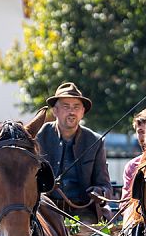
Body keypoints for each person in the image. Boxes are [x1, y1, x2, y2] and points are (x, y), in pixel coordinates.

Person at [36, 82, 112, 219]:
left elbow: (105, 186)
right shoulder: (39, 137)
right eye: (66, 106)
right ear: (55, 111)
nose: (72, 111)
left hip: (83, 212)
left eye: (76, 107)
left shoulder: (95, 141)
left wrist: (99, 192)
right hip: (45, 210)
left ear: (82, 112)